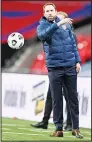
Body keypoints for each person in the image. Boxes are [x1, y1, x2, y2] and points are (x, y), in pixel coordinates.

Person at [36, 3, 83, 138]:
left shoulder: (66, 25)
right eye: (47, 11)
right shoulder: (42, 26)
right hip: (54, 68)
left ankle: (76, 128)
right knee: (57, 99)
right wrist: (57, 24)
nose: (50, 13)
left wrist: (77, 61)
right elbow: (43, 36)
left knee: (73, 98)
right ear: (44, 13)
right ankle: (59, 129)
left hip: (70, 66)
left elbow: (73, 45)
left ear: (55, 11)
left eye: (52, 10)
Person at [31, 11, 73, 131]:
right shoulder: (54, 32)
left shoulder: (70, 33)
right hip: (55, 69)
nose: (58, 20)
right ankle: (45, 121)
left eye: (61, 18)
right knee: (50, 96)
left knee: (68, 97)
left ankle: (69, 123)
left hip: (66, 69)